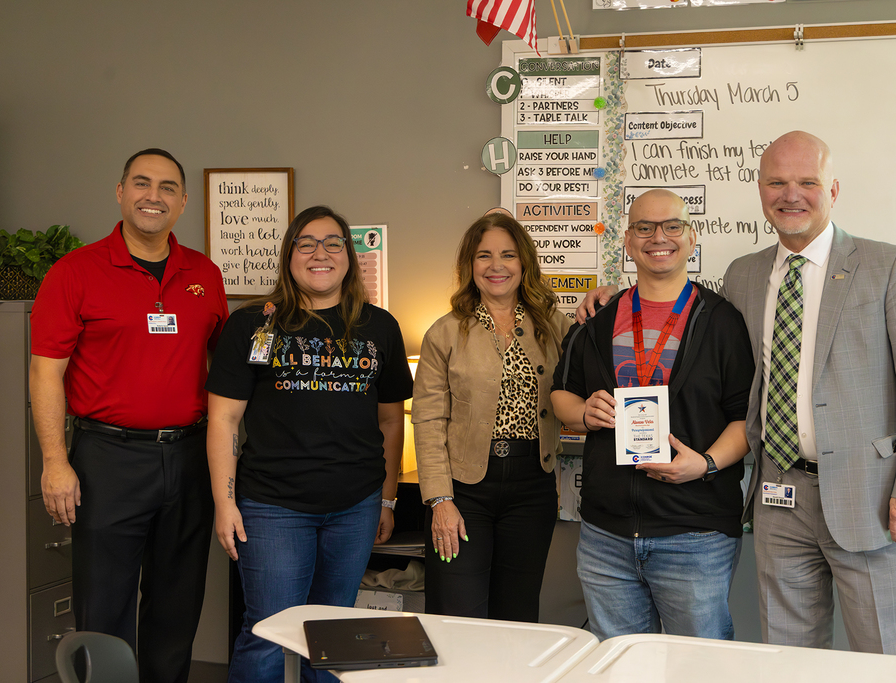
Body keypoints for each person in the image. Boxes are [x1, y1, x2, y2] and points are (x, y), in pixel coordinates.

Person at [721, 131, 896, 655]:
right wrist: (615, 297)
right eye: (777, 182)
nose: (790, 194)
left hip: (870, 498)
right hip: (779, 495)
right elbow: (716, 358)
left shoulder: (888, 265)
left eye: (807, 182)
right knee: (790, 653)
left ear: (834, 189)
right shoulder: (743, 275)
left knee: (886, 653)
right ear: (760, 190)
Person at [30, 148, 228, 683]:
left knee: (177, 606)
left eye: (167, 187)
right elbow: (46, 372)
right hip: (107, 458)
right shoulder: (75, 273)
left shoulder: (204, 275)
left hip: (187, 456)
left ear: (183, 202)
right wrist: (54, 460)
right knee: (104, 607)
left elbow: (221, 369)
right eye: (141, 183)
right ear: (120, 192)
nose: (153, 196)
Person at [205, 205, 412, 682]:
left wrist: (386, 498)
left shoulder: (380, 327)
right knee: (266, 634)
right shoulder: (252, 324)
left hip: (354, 506)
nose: (320, 253)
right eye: (306, 243)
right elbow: (224, 419)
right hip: (273, 507)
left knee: (334, 633)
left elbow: (390, 421)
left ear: (349, 255)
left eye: (333, 243)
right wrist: (224, 501)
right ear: (289, 255)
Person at [550, 189, 754, 640]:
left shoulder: (722, 321)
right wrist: (583, 412)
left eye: (672, 226)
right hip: (606, 536)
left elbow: (745, 419)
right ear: (627, 240)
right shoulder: (595, 319)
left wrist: (704, 464)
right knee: (621, 669)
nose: (658, 237)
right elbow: (560, 394)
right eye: (644, 227)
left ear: (692, 237)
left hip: (695, 535)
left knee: (697, 669)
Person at [412, 211, 572, 621]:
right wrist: (439, 500)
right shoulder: (445, 332)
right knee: (456, 611)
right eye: (484, 256)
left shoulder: (554, 326)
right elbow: (427, 421)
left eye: (508, 255)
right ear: (470, 265)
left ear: (524, 264)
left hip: (532, 487)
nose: (496, 266)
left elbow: (593, 363)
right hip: (463, 490)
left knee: (516, 616)